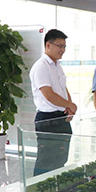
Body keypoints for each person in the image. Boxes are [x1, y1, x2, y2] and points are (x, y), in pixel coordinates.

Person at [29, 29, 77, 176]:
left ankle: (56, 187)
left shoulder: (56, 65)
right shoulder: (41, 66)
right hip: (47, 119)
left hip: (61, 117)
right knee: (46, 161)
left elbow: (62, 88)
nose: (62, 50)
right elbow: (48, 95)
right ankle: (38, 189)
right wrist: (70, 105)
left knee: (60, 159)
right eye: (59, 46)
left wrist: (69, 106)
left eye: (64, 46)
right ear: (48, 45)